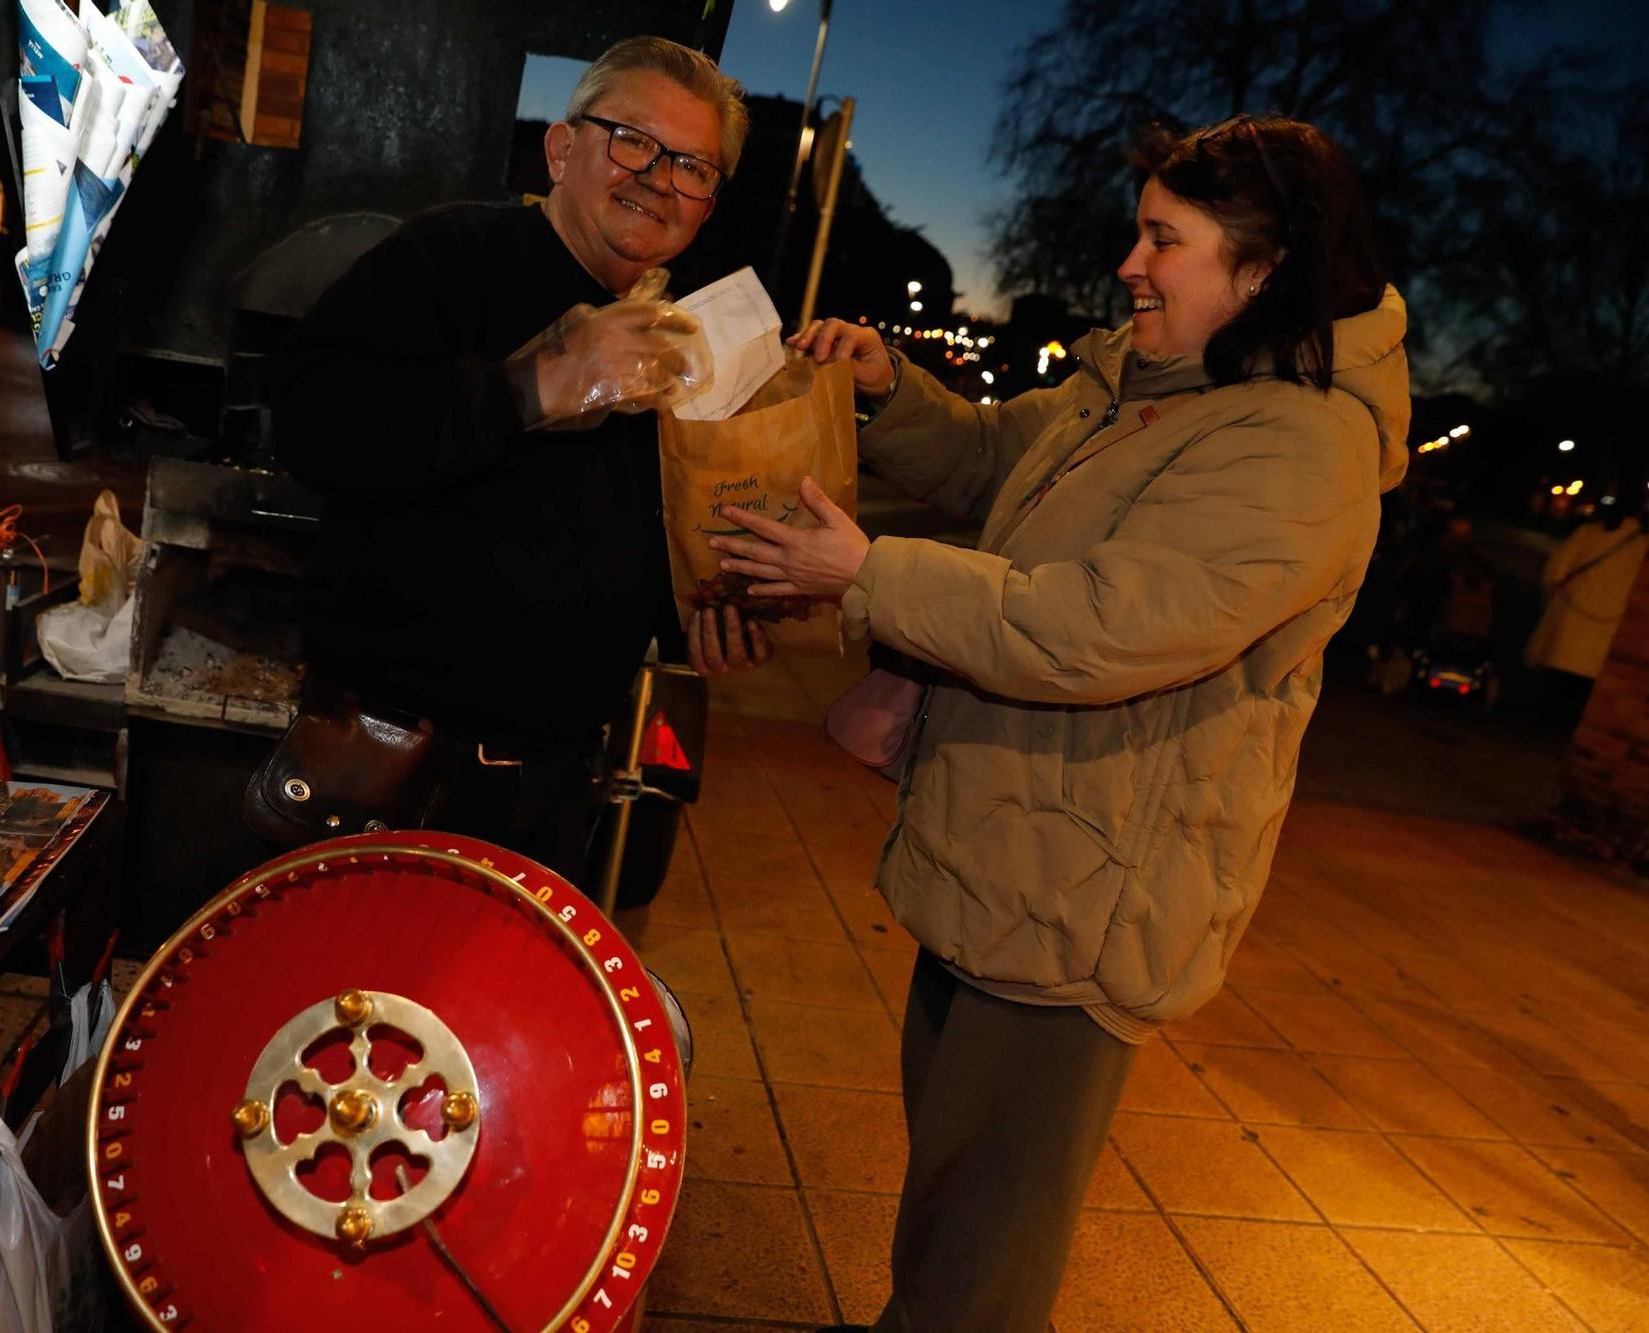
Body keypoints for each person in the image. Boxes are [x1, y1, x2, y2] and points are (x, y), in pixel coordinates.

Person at [712, 114, 1407, 1331]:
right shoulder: (1146, 385)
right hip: (1014, 862)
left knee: (986, 1240)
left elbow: (1086, 627)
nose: (1129, 263)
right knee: (953, 1198)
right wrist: (888, 389)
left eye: (1162, 240)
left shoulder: (1298, 446)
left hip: (1083, 906)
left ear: (1265, 266)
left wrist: (865, 572)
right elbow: (995, 462)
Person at [265, 36, 761, 883]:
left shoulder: (690, 340)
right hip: (387, 759)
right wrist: (530, 388)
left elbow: (623, 545)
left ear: (707, 206)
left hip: (550, 791)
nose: (657, 177)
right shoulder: (453, 255)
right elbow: (311, 422)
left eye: (692, 166)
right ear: (562, 148)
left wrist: (710, 604)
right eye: (633, 140)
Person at [1525, 499, 1647, 727]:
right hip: (1609, 624)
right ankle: (1568, 724)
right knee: (1584, 684)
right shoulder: (1642, 547)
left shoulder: (1588, 533)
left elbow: (1556, 570)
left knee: (1556, 676)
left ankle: (1544, 718)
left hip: (1570, 614)